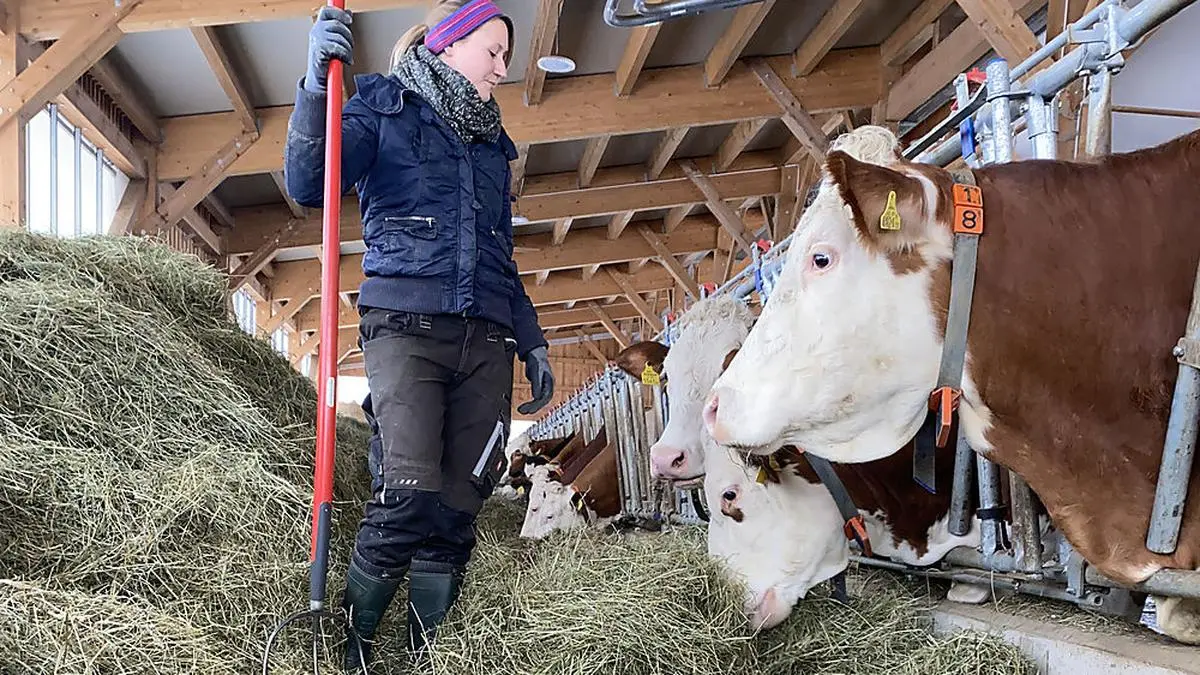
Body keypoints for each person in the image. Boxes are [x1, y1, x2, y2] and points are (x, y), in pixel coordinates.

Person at [283, 1, 555, 669]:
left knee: (460, 504)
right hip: (405, 325)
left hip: (486, 338)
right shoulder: (385, 105)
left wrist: (533, 338)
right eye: (492, 50)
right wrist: (319, 85)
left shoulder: (495, 148)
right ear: (450, 43)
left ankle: (427, 653)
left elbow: (501, 256)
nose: (502, 68)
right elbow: (309, 182)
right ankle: (352, 650)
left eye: (505, 55)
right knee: (406, 494)